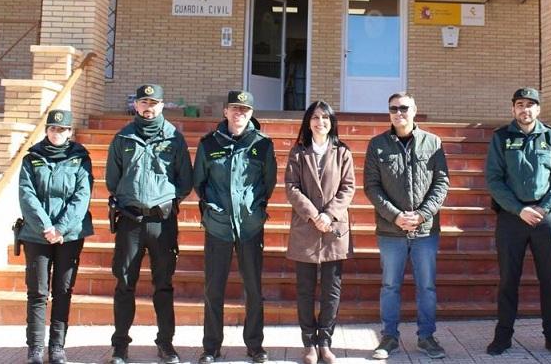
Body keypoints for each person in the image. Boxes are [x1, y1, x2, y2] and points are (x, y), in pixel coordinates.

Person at [106, 84, 192, 364]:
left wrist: (165, 199)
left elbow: (185, 181)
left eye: (153, 102)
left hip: (162, 221)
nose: (148, 107)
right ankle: (120, 346)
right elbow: (112, 179)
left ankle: (166, 345)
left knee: (163, 285)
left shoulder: (174, 139)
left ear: (162, 105)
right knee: (124, 284)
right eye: (143, 102)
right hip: (130, 221)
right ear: (136, 105)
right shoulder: (122, 138)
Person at [485, 87, 551, 357]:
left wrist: (544, 208)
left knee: (549, 280)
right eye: (520, 104)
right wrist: (518, 209)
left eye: (531, 104)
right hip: (512, 219)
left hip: (545, 220)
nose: (525, 109)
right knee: (508, 280)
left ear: (538, 109)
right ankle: (503, 337)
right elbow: (494, 179)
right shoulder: (501, 137)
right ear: (513, 109)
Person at [364, 92, 450, 360]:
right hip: (391, 231)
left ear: (414, 110)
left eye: (404, 108)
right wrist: (395, 216)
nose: (398, 112)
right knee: (390, 285)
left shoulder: (433, 142)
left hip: (425, 231)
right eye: (393, 108)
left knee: (426, 286)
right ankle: (389, 337)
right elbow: (371, 187)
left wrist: (423, 214)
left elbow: (441, 182)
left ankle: (426, 338)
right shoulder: (377, 145)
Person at [193, 90, 277, 364]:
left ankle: (255, 346)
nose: (239, 114)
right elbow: (200, 183)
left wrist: (255, 209)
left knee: (253, 289)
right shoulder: (209, 144)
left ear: (251, 114)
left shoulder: (262, 144)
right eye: (234, 109)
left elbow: (268, 182)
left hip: (250, 227)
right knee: (213, 289)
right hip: (218, 227)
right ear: (225, 112)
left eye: (245, 110)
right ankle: (211, 346)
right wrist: (211, 210)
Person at [19, 109, 93, 364]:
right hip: (36, 235)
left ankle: (57, 347)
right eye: (52, 128)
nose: (56, 133)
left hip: (69, 235)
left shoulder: (81, 158)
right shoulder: (32, 158)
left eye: (62, 129)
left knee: (63, 291)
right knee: (38, 292)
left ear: (70, 132)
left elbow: (82, 197)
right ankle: (36, 348)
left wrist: (60, 228)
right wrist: (46, 227)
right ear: (46, 130)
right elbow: (27, 196)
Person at [285, 101, 356, 364]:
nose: (320, 122)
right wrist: (314, 215)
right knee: (304, 290)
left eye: (325, 117)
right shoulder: (298, 152)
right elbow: (291, 187)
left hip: (334, 230)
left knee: (331, 290)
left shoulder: (342, 152)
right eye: (315, 117)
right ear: (308, 122)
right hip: (306, 228)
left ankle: (325, 341)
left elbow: (348, 188)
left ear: (332, 122)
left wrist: (328, 214)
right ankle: (309, 343)